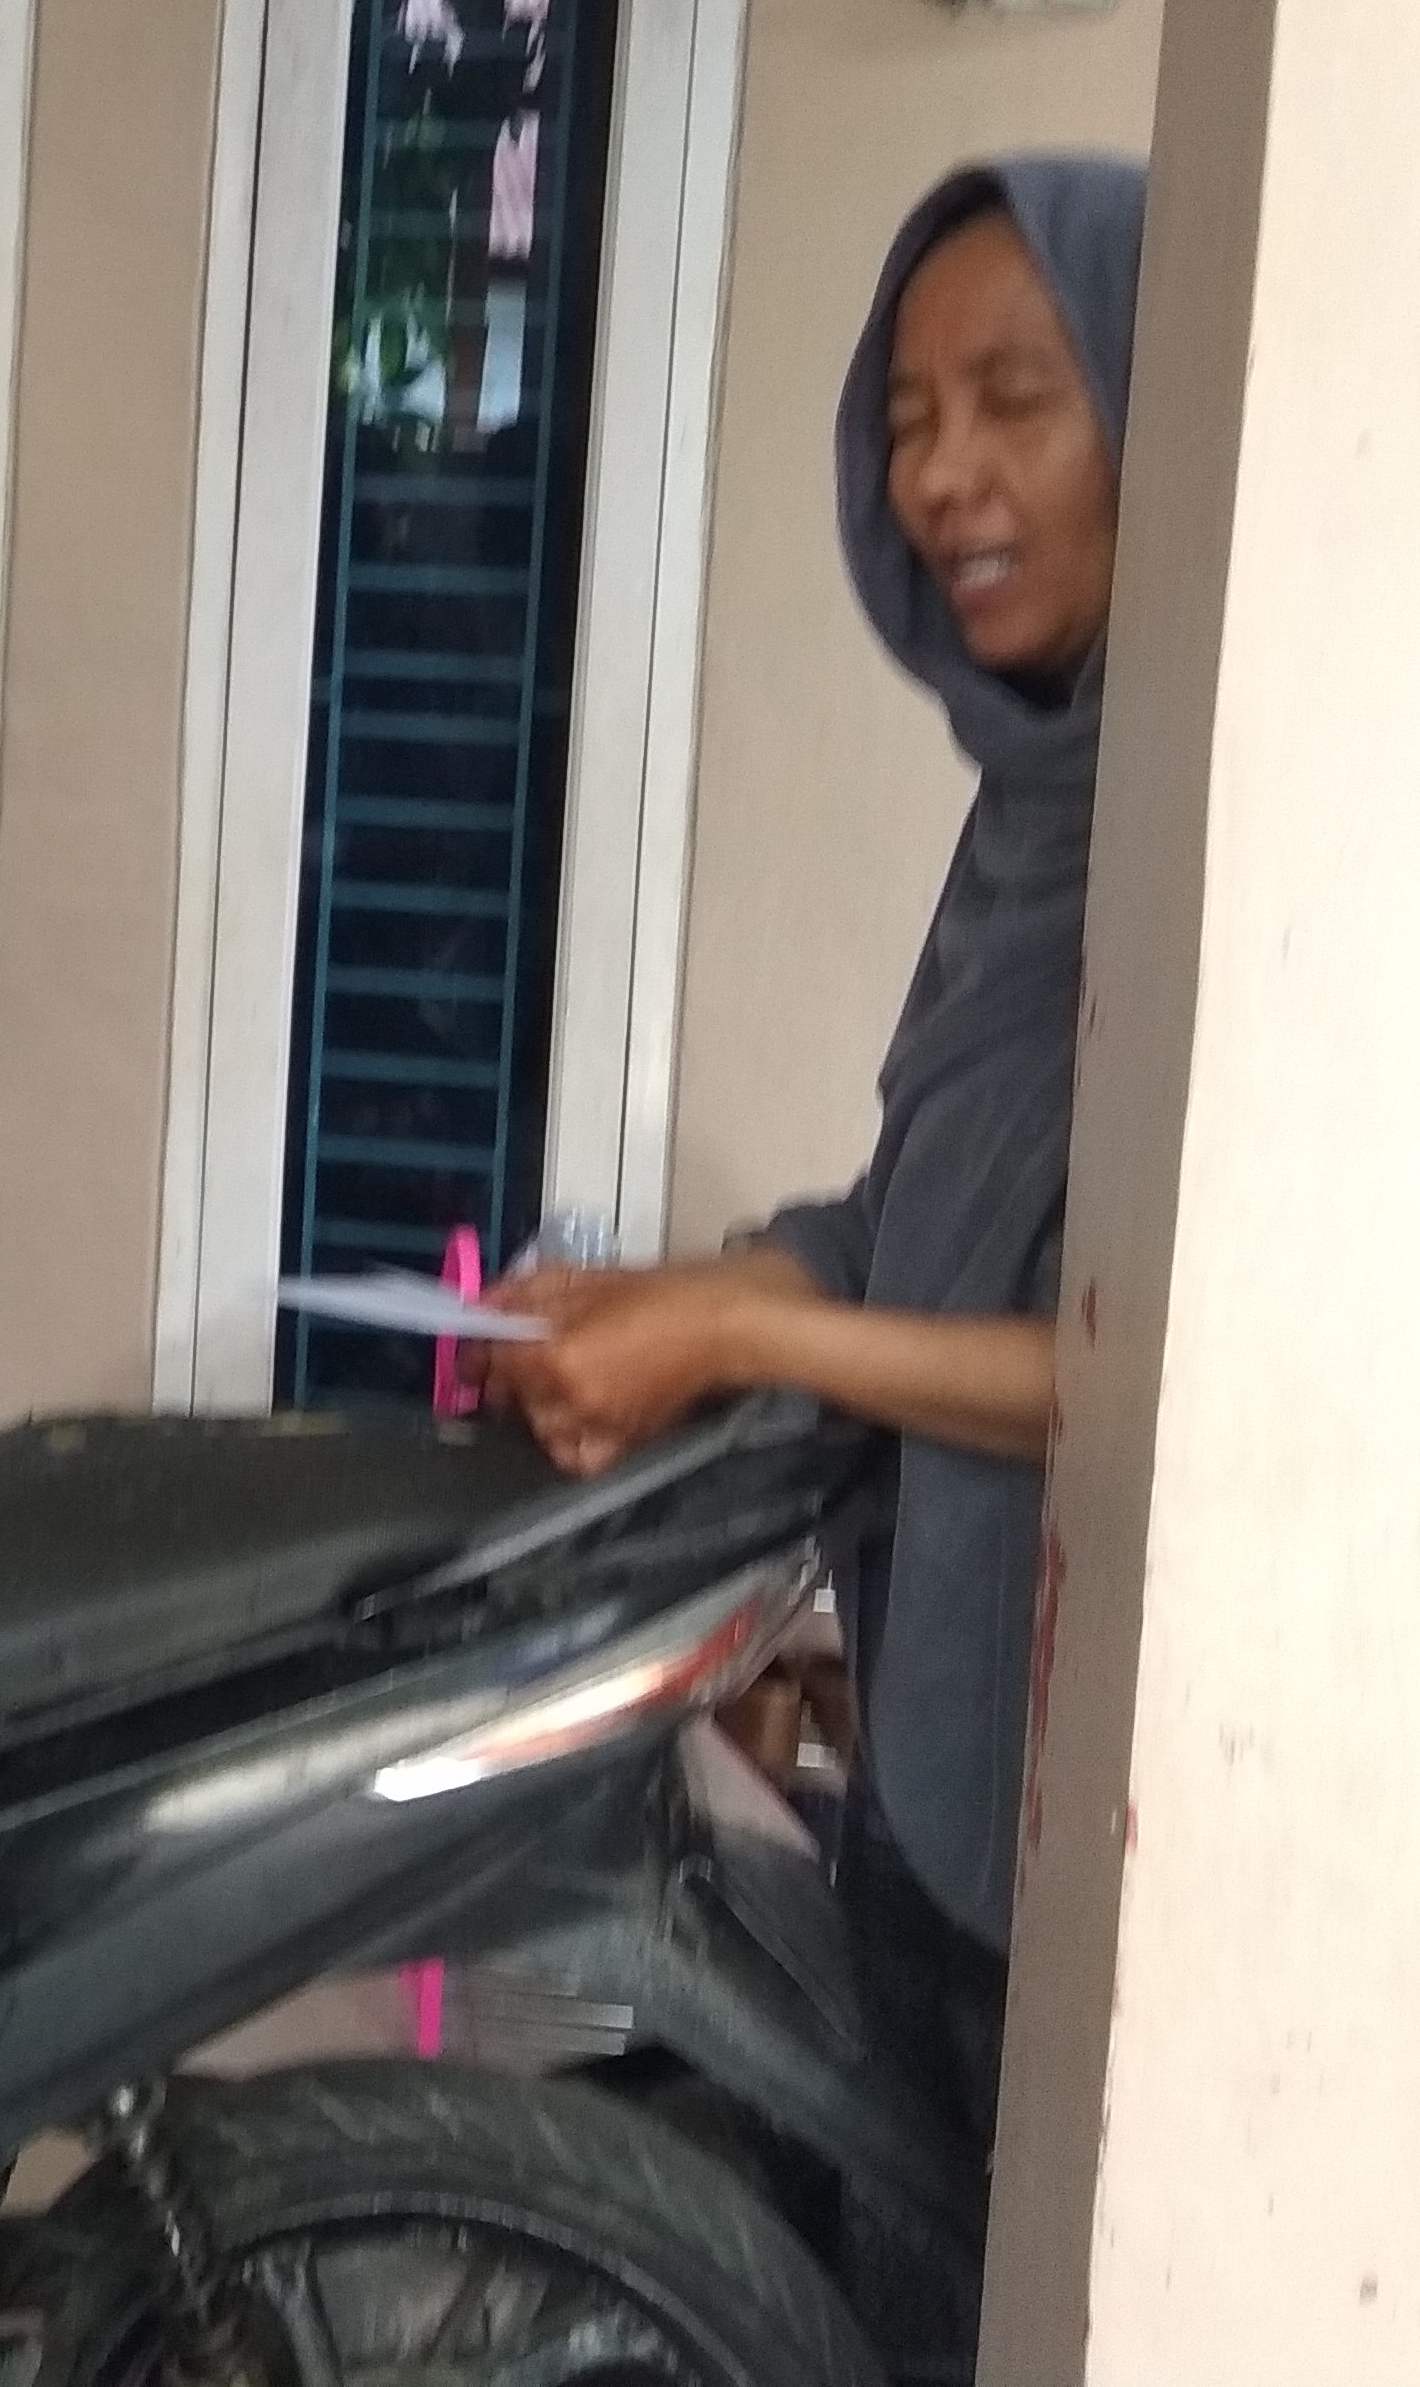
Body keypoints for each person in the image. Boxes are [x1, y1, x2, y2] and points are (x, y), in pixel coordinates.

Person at [485, 153, 1146, 2376]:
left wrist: (755, 1329)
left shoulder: (1227, 840)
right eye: (907, 419)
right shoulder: (1042, 812)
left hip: (1089, 1817)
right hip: (945, 1765)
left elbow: (1139, 1369)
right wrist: (702, 1291)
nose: (943, 475)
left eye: (1016, 400)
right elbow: (927, 1221)